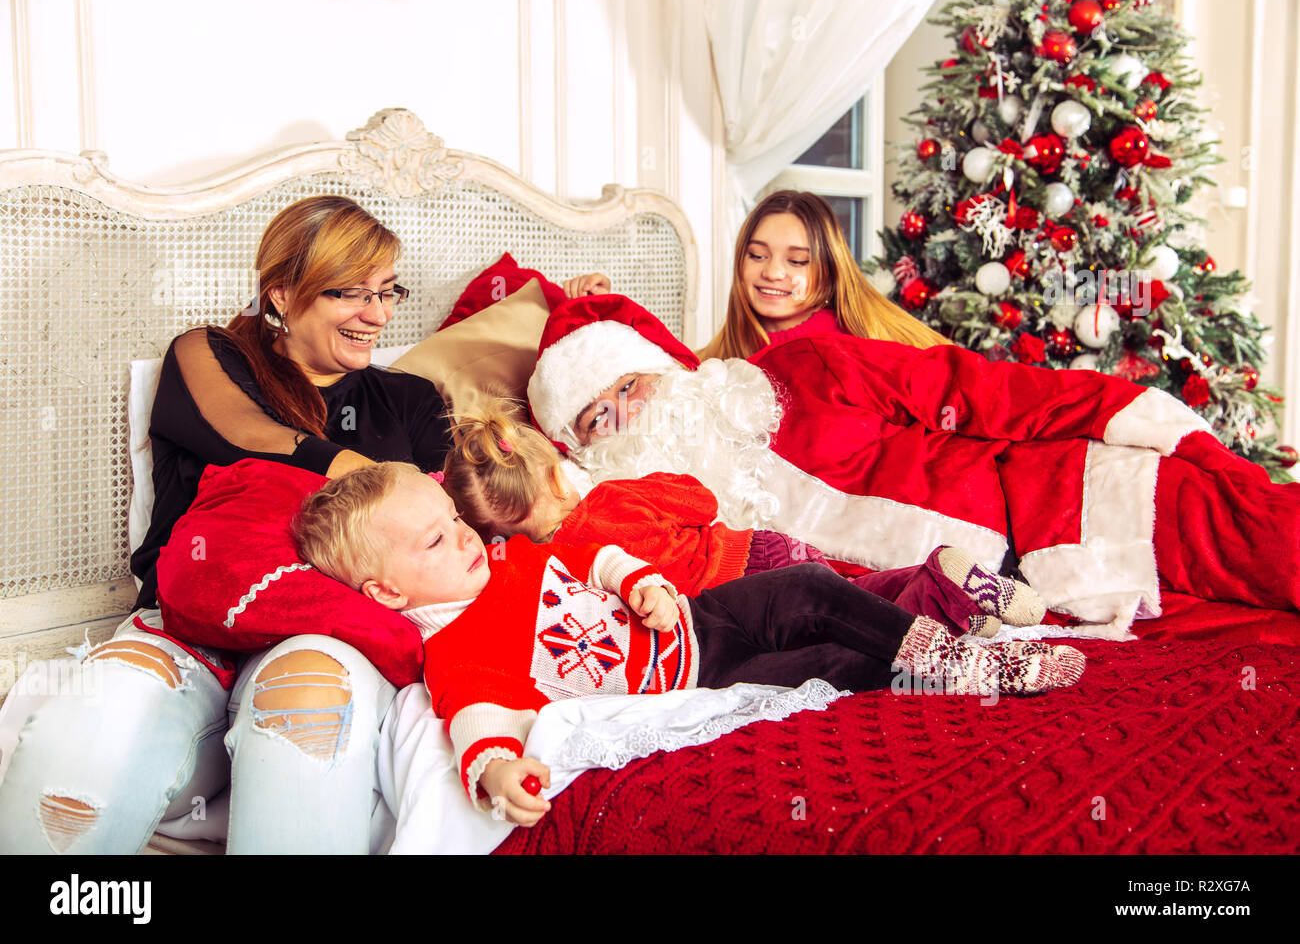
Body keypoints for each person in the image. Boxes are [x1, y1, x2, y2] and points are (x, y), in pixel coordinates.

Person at [0, 195, 450, 854]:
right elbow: (247, 435)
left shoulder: (411, 400)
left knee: (307, 709)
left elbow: (464, 524)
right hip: (188, 626)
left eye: (388, 293)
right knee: (95, 724)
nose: (377, 316)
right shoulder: (207, 356)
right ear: (282, 294)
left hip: (334, 632)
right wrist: (367, 471)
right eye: (350, 294)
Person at [291, 463, 1087, 827]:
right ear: (389, 593)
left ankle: (967, 657)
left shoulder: (512, 557)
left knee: (811, 591)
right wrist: (501, 773)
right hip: (704, 680)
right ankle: (949, 656)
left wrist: (640, 583)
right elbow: (473, 726)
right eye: (436, 541)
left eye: (458, 521)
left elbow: (592, 558)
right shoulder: (457, 651)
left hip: (703, 621)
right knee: (836, 668)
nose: (466, 538)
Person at [525, 294, 1300, 635]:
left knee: (1274, 547)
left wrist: (1120, 411)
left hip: (1081, 493)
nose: (630, 414)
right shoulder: (671, 534)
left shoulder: (801, 368)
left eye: (631, 385)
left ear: (668, 368)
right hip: (1059, 604)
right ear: (583, 449)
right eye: (600, 416)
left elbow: (975, 387)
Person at [441, 398, 1047, 638]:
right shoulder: (615, 498)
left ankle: (948, 602)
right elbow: (701, 502)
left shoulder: (548, 566)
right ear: (555, 473)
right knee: (849, 585)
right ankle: (950, 586)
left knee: (841, 610)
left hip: (733, 597)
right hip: (754, 554)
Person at [563, 189, 946, 359]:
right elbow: (673, 375)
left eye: (797, 261)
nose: (773, 272)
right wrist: (601, 312)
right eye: (757, 255)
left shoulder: (845, 346)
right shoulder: (738, 348)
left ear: (829, 275)